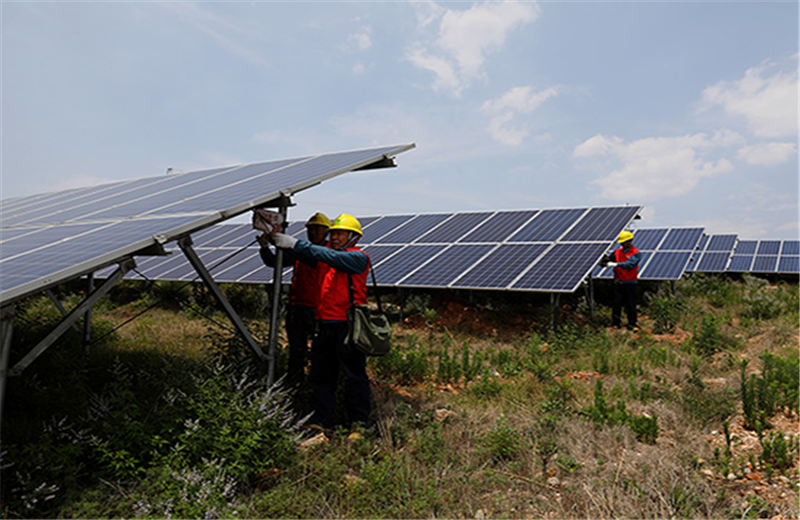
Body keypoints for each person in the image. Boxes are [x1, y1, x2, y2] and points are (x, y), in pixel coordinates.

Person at [270, 213, 372, 433]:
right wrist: (273, 238)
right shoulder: (326, 257)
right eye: (333, 233)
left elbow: (321, 253)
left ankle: (359, 424)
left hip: (348, 327)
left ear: (353, 237)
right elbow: (304, 254)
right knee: (322, 375)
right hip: (324, 325)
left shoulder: (358, 257)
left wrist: (296, 243)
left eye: (340, 234)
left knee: (354, 376)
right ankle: (321, 421)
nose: (334, 237)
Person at [258, 212, 330, 389]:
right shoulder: (300, 251)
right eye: (310, 229)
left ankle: (317, 385)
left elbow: (312, 258)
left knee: (320, 351)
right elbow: (274, 262)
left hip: (319, 309)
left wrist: (291, 244)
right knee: (296, 349)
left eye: (317, 229)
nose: (313, 232)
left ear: (326, 231)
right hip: (297, 307)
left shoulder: (329, 252)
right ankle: (295, 384)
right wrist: (265, 247)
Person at [603, 230, 642, 332]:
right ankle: (616, 323)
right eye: (621, 242)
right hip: (618, 282)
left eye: (624, 242)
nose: (622, 244)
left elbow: (630, 264)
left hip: (630, 283)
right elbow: (608, 259)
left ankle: (632, 323)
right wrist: (603, 260)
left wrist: (616, 264)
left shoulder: (636, 253)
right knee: (616, 304)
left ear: (630, 241)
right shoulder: (616, 252)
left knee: (630, 304)